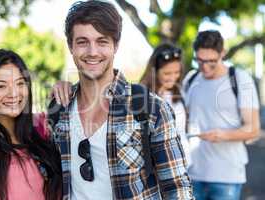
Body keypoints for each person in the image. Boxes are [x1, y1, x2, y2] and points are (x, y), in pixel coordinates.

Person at [48, 1, 193, 199]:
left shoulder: (150, 108)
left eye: (102, 41)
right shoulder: (59, 109)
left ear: (116, 45)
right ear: (71, 46)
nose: (92, 52)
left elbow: (177, 188)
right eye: (82, 42)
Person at [0, 49, 62, 200]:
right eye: (1, 86)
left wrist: (67, 88)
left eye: (20, 83)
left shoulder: (42, 129)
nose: (14, 93)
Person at [183, 30, 260, 200]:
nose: (204, 67)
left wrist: (223, 135)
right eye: (200, 61)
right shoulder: (191, 79)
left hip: (227, 177)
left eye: (211, 61)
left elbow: (253, 129)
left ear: (222, 54)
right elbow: (183, 120)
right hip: (193, 174)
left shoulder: (240, 79)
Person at [140, 43, 191, 166]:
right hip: (159, 168)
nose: (173, 77)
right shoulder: (143, 97)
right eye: (167, 73)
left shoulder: (180, 92)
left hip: (184, 164)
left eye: (177, 72)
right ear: (155, 71)